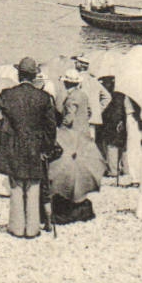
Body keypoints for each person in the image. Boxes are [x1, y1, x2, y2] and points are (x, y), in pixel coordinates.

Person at [0, 57, 58, 239]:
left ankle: (16, 227)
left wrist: (3, 127)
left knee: (15, 185)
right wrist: (46, 147)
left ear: (18, 74)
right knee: (33, 185)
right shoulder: (44, 97)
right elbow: (51, 127)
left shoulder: (8, 94)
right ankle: (32, 229)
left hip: (13, 144)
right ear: (34, 76)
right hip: (36, 146)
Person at [49, 71, 107, 223]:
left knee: (67, 167)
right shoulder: (83, 94)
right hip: (84, 133)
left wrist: (60, 129)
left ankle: (69, 197)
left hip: (72, 136)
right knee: (82, 166)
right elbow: (88, 112)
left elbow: (69, 117)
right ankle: (81, 197)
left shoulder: (71, 98)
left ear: (66, 83)